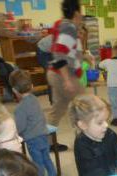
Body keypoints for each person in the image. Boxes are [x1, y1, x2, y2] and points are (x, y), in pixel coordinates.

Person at [9, 69, 61, 176]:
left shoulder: (20, 108)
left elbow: (20, 126)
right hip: (44, 134)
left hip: (32, 139)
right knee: (46, 157)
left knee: (37, 162)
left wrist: (17, 134)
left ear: (14, 90)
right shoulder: (35, 99)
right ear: (32, 86)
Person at [46, 0, 84, 151]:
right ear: (76, 13)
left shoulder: (62, 25)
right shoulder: (69, 27)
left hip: (55, 73)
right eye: (80, 12)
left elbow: (67, 51)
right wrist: (67, 80)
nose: (81, 15)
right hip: (64, 75)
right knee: (85, 106)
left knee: (58, 109)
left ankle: (48, 143)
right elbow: (59, 52)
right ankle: (83, 144)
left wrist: (84, 57)